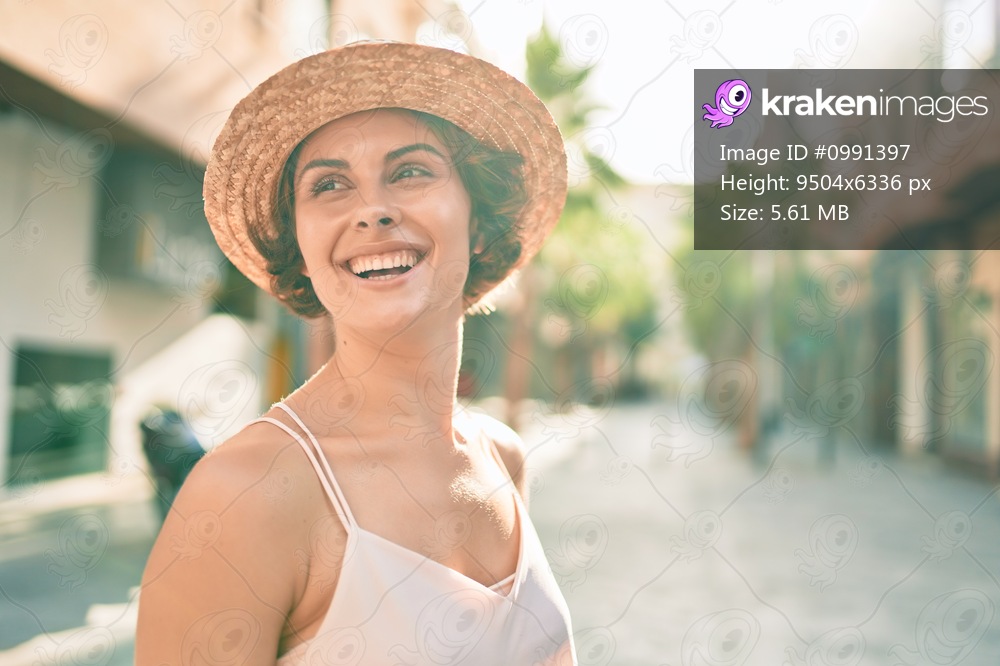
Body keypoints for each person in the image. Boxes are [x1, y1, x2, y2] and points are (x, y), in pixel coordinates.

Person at [135, 41, 575, 665]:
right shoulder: (243, 495)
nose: (372, 210)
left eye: (411, 171)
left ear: (477, 222)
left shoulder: (503, 458)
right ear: (303, 246)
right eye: (330, 184)